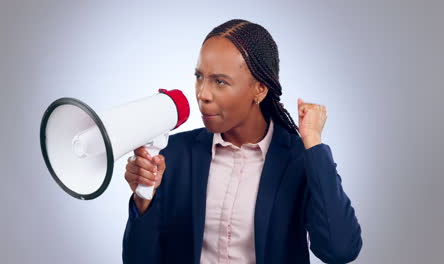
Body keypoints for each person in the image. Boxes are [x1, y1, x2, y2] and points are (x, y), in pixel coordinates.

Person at [122, 19, 362, 264]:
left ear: (259, 89)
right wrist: (144, 198)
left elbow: (340, 250)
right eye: (199, 77)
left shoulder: (299, 160)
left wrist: (312, 143)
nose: (202, 94)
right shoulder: (172, 155)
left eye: (220, 81)